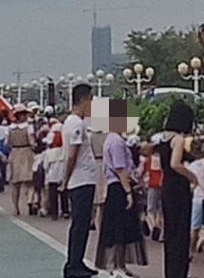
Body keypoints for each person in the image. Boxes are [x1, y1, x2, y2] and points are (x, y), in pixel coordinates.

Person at [94, 128, 148, 276]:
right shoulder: (116, 141)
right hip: (119, 186)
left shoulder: (112, 139)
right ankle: (116, 265)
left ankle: (120, 264)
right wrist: (128, 191)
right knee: (119, 227)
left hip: (116, 185)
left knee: (120, 227)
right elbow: (120, 169)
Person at [62, 84, 98, 278]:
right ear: (83, 100)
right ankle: (73, 263)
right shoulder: (76, 124)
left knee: (83, 224)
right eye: (91, 101)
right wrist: (65, 178)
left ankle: (78, 260)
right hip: (81, 179)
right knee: (80, 223)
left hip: (83, 178)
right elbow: (72, 155)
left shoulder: (74, 122)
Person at [160, 100, 198, 278]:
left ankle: (170, 271)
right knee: (181, 231)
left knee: (171, 230)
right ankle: (179, 271)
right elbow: (175, 164)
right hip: (178, 186)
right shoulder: (179, 139)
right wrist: (192, 176)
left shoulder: (163, 137)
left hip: (166, 184)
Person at [7, 103, 36, 216]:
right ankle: (30, 201)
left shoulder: (10, 128)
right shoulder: (28, 127)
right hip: (26, 152)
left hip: (15, 153)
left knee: (15, 183)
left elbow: (7, 143)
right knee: (30, 181)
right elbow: (32, 142)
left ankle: (15, 208)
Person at [43, 124, 69, 220]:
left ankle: (54, 213)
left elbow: (46, 166)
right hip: (62, 175)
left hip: (52, 176)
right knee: (64, 194)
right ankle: (65, 211)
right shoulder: (64, 151)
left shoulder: (48, 153)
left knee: (53, 195)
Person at [142, 141, 164, 241]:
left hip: (152, 184)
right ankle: (161, 230)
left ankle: (153, 225)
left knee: (151, 208)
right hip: (162, 184)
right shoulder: (163, 159)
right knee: (161, 209)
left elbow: (145, 173)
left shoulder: (148, 160)